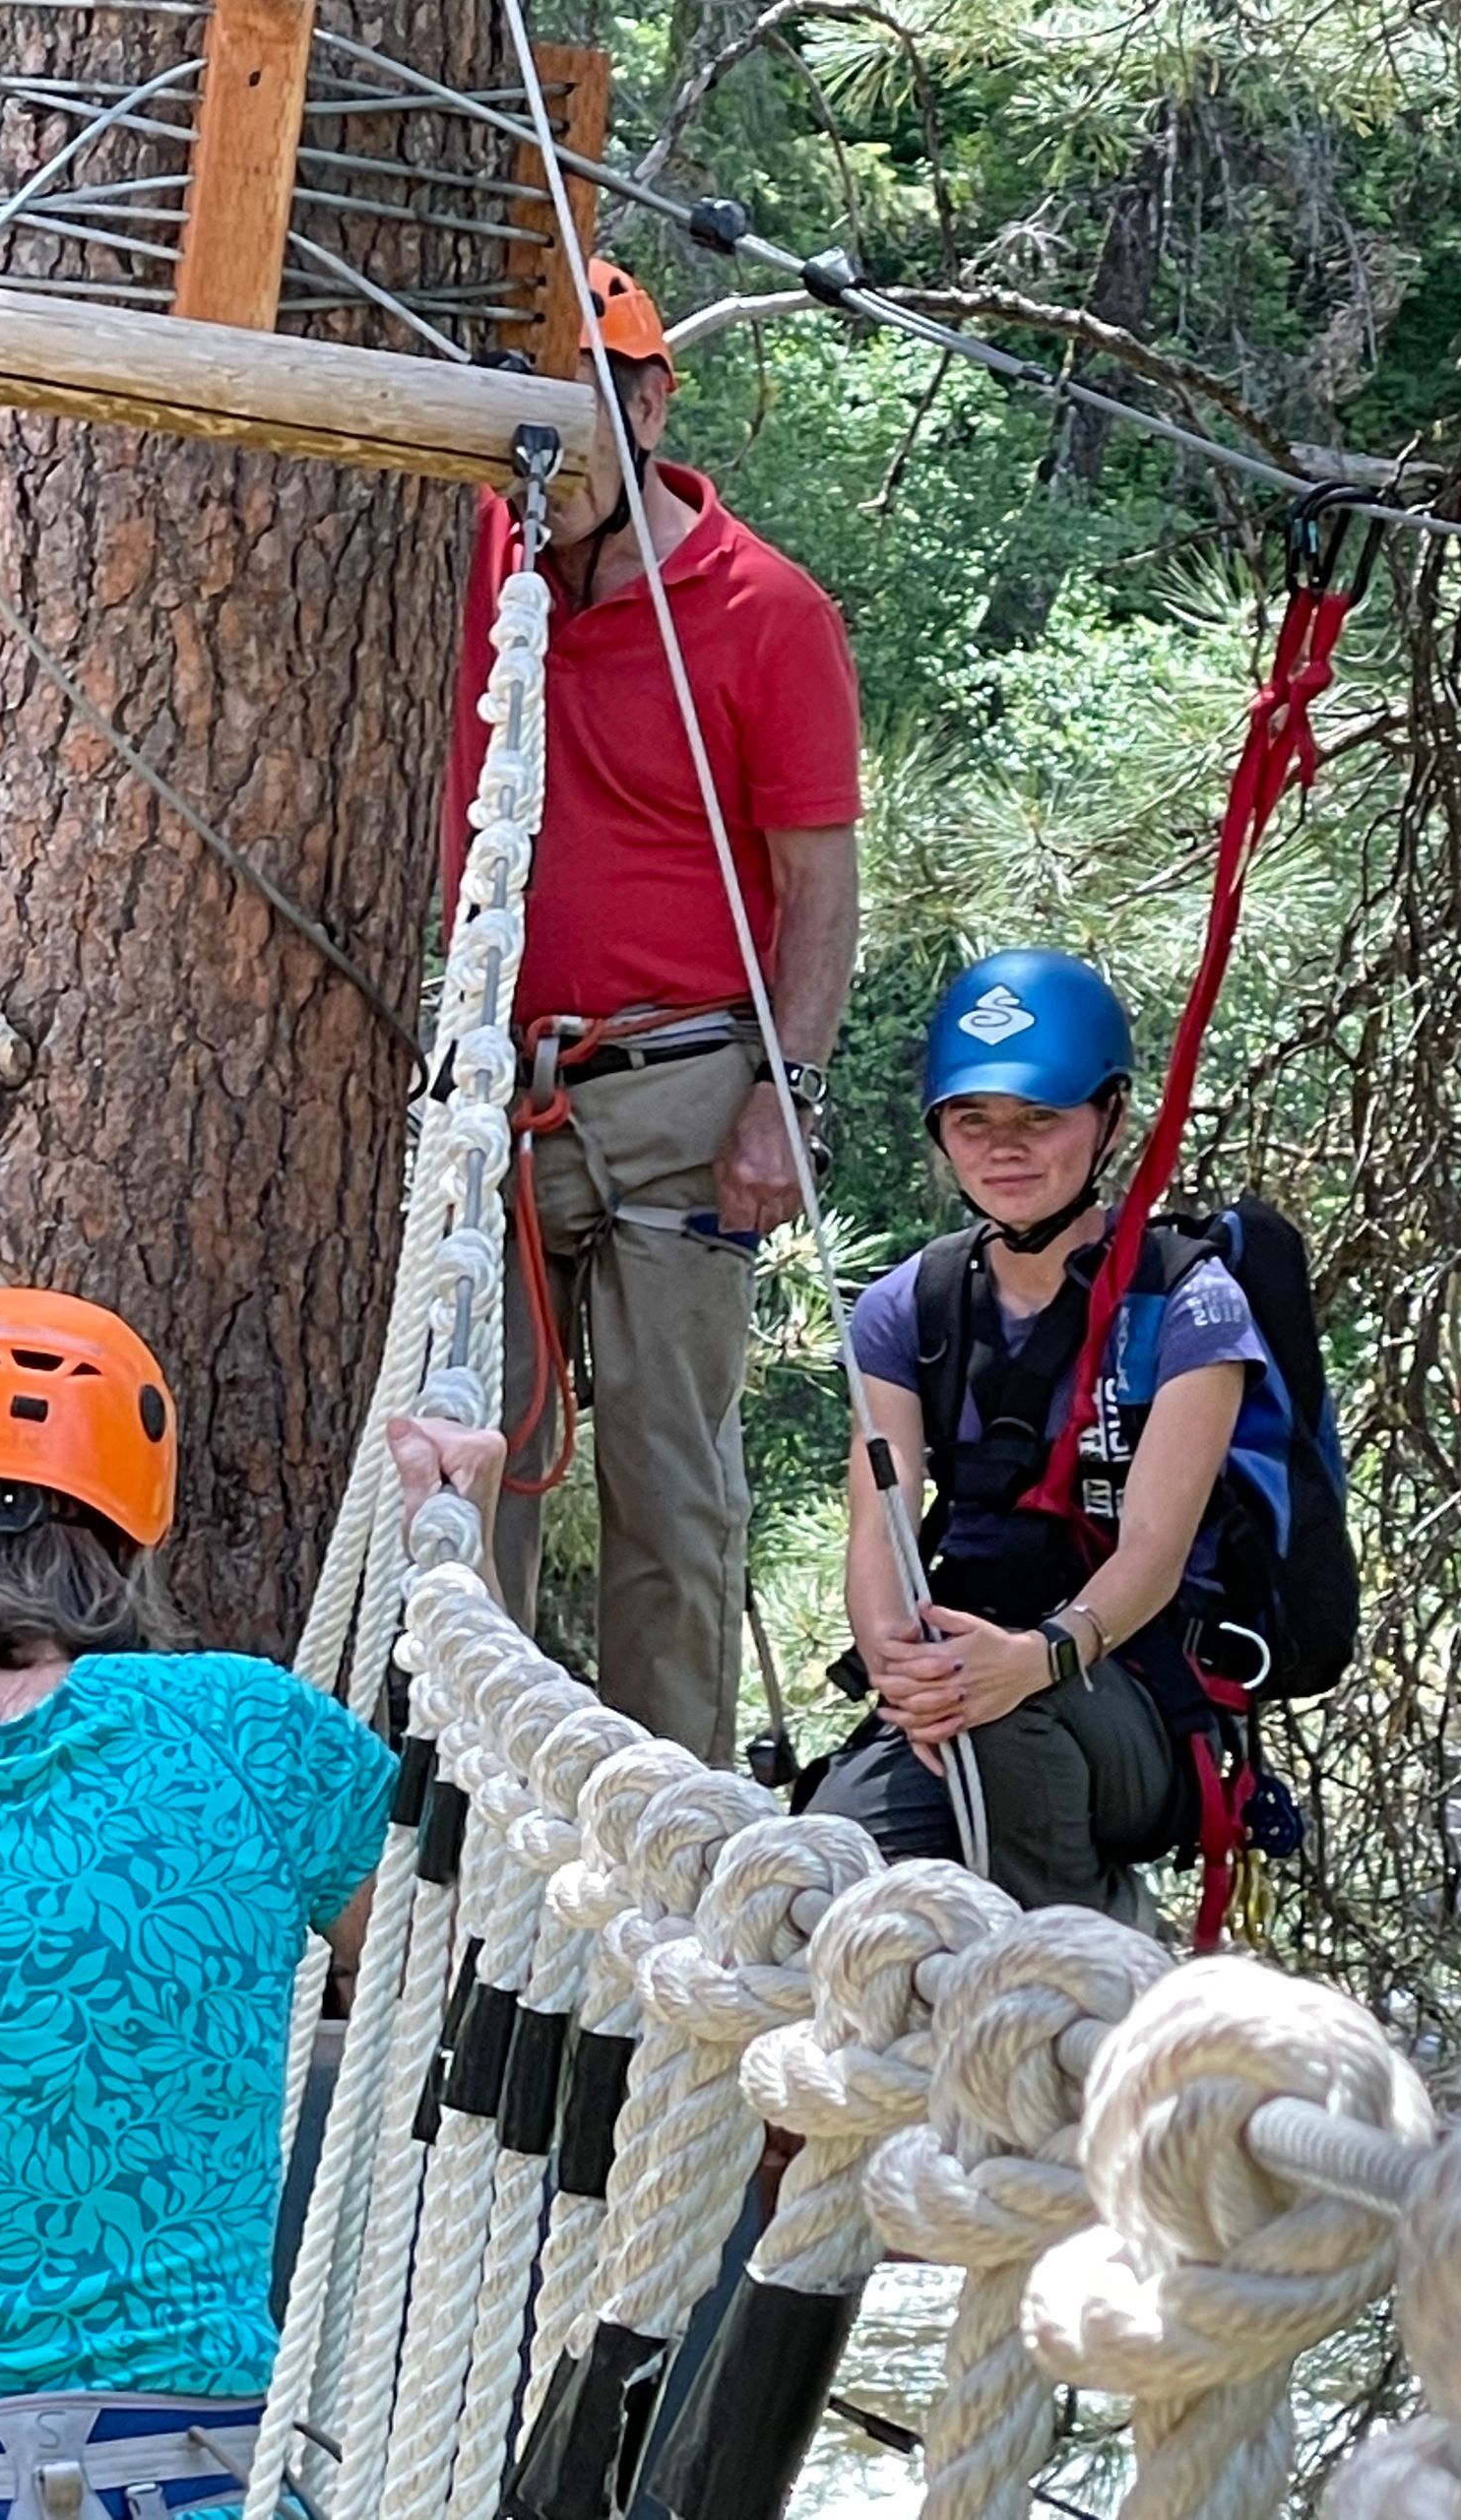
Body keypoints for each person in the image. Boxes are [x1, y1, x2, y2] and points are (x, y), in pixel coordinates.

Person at [0, 1286, 505, 2484]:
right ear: (130, 1534)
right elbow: (478, 1970)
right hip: (194, 2470)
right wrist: (460, 1586)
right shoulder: (252, 1738)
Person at [441, 258, 862, 1768]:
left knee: (670, 1486)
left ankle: (666, 1820)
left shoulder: (762, 613)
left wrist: (782, 1097)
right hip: (497, 1089)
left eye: (586, 419)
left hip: (682, 1085)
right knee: (465, 1471)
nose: (550, 474)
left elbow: (819, 887)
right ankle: (473, 1820)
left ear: (651, 401)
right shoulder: (489, 574)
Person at [802, 950, 1267, 1923]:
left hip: (1125, 1690)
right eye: (975, 1121)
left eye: (1039, 1119)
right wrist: (901, 1666)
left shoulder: (1188, 1305)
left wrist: (1037, 1656)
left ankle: (1082, 1954)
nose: (1004, 1148)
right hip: (959, 1680)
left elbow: (1150, 1550)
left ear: (1110, 1119)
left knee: (1008, 1716)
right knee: (827, 1860)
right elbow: (877, 1527)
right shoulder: (910, 1309)